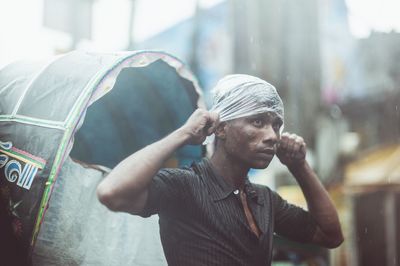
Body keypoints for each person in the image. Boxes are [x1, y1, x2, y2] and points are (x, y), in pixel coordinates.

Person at [96, 74, 343, 266]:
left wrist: (299, 166)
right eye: (257, 122)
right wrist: (184, 134)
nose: (271, 136)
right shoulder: (186, 186)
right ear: (222, 129)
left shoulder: (263, 199)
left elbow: (330, 235)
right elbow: (111, 192)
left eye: (276, 125)